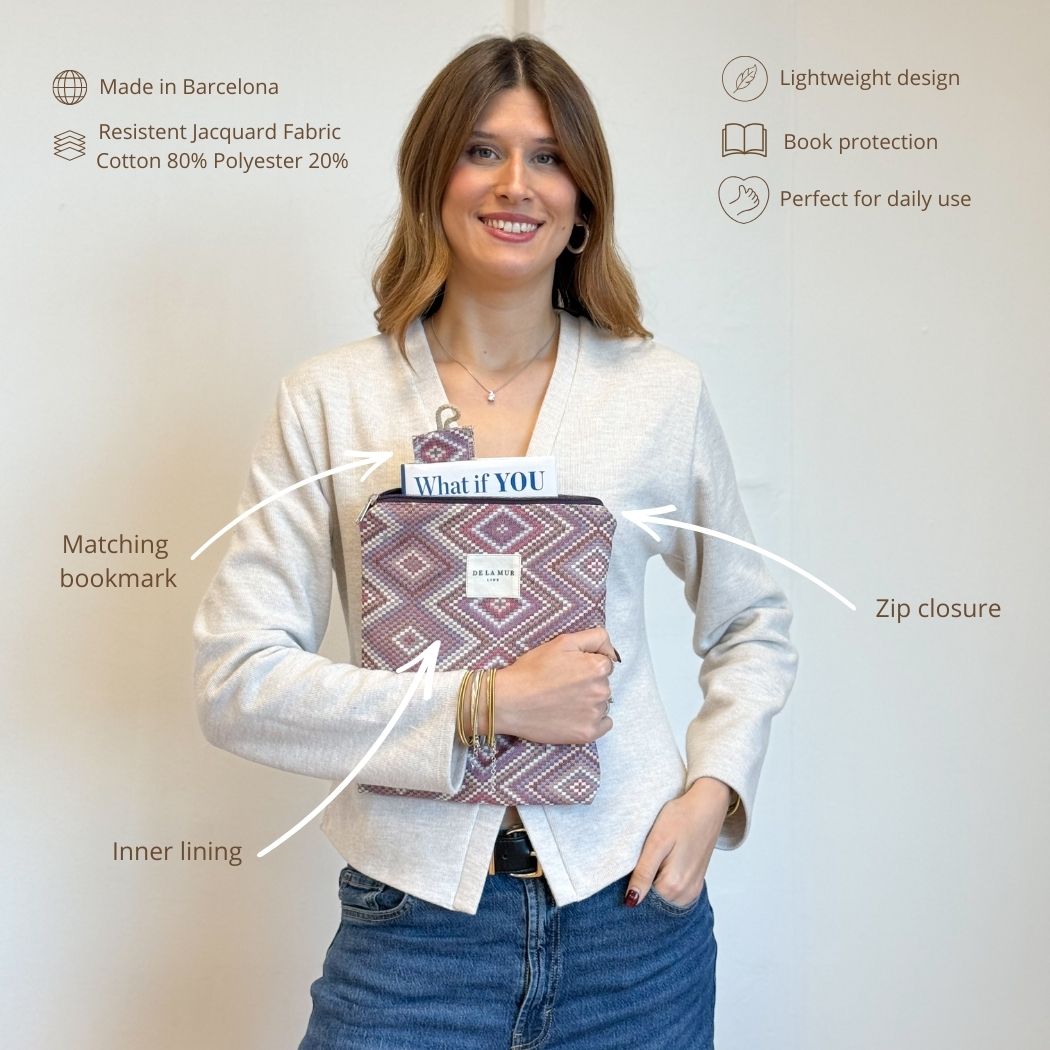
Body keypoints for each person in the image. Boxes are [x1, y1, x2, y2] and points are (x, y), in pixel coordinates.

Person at [193, 34, 797, 1050]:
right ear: (433, 177)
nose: (517, 183)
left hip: (634, 928)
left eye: (549, 157)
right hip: (411, 936)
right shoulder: (331, 402)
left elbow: (753, 623)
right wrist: (483, 703)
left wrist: (713, 793)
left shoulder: (659, 395)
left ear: (583, 199)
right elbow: (235, 681)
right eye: (483, 150)